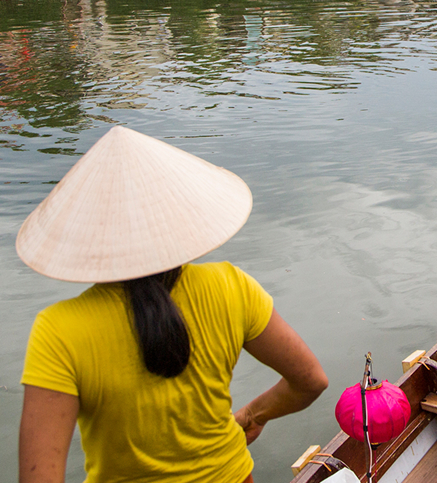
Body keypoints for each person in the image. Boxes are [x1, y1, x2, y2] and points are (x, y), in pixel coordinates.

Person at [17, 126, 328, 483]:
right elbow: (311, 381)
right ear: (177, 215)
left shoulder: (59, 330)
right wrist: (251, 416)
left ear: (88, 231)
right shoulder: (231, 286)